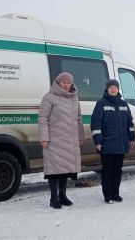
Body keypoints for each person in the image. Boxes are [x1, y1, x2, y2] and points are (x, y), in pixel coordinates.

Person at [38, 72, 85, 209]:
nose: (66, 85)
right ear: (57, 83)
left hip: (70, 139)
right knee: (54, 170)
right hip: (54, 139)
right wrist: (44, 138)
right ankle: (54, 198)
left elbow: (79, 119)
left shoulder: (74, 98)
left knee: (65, 169)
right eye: (63, 82)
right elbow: (43, 118)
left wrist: (81, 136)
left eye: (68, 83)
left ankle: (63, 196)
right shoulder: (49, 97)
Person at [91, 79, 135, 204]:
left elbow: (130, 123)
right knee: (108, 170)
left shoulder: (123, 104)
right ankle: (108, 195)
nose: (113, 89)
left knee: (118, 170)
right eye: (111, 87)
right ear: (107, 89)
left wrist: (132, 137)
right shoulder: (101, 103)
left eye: (115, 87)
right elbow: (95, 124)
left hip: (121, 144)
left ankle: (116, 193)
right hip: (107, 144)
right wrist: (98, 141)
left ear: (118, 89)